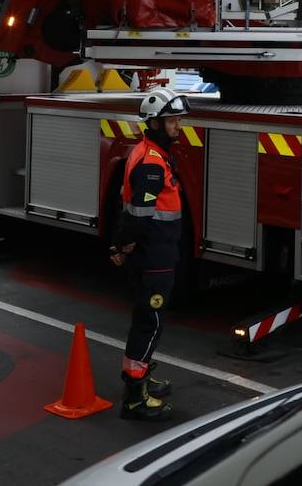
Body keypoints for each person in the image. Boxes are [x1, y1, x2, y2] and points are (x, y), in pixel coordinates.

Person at [108, 89, 188, 420]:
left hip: (155, 252)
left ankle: (139, 377)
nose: (177, 127)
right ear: (154, 124)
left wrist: (120, 244)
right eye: (171, 122)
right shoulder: (151, 164)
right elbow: (139, 215)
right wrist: (123, 245)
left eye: (178, 121)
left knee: (147, 320)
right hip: (153, 256)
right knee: (150, 321)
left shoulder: (149, 154)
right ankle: (135, 398)